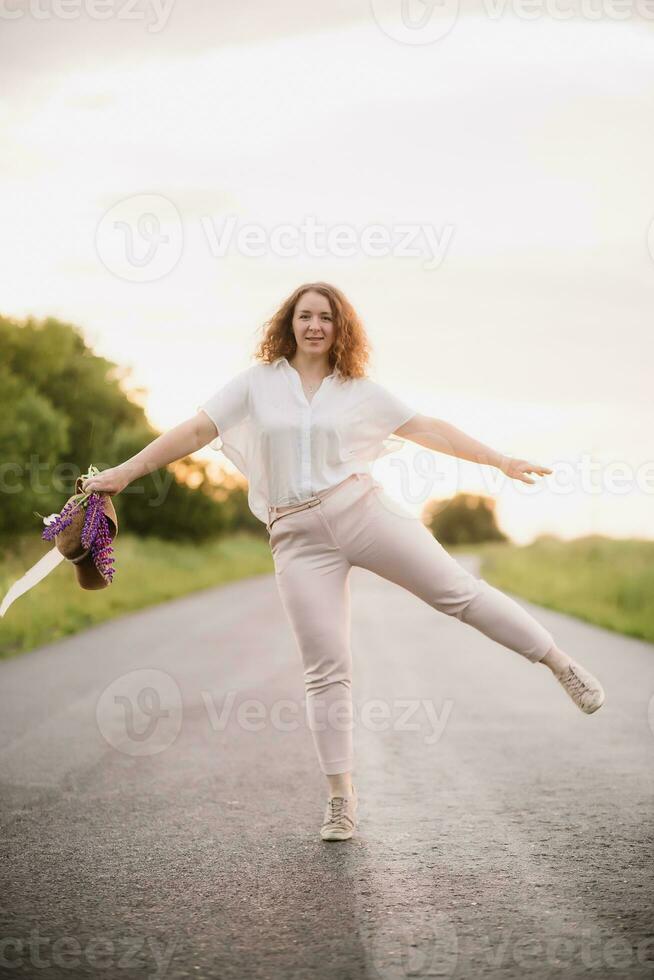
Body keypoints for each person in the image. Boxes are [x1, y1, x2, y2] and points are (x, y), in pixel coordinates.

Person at [82, 281, 605, 843]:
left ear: (340, 328)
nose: (314, 326)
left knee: (460, 593)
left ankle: (558, 663)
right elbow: (193, 431)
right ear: (288, 324)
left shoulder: (358, 390)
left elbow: (429, 429)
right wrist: (124, 474)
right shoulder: (256, 385)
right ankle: (340, 799)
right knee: (326, 667)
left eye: (325, 318)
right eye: (304, 316)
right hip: (296, 536)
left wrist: (499, 460)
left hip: (360, 510)